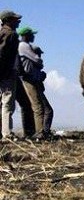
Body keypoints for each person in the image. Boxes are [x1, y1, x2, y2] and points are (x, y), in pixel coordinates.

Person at [17, 27, 53, 139]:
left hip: (31, 79)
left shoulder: (24, 46)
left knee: (38, 107)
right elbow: (38, 60)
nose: (33, 36)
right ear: (27, 35)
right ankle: (39, 133)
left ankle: (39, 132)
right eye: (32, 34)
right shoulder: (24, 46)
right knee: (38, 107)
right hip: (29, 80)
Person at [0, 11, 21, 140]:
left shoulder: (2, 32)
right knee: (8, 103)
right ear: (8, 20)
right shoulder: (11, 34)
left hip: (3, 73)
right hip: (6, 74)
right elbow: (2, 55)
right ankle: (7, 133)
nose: (18, 21)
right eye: (15, 19)